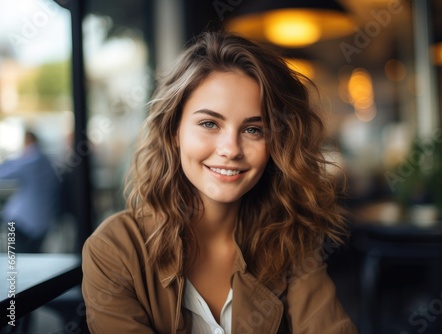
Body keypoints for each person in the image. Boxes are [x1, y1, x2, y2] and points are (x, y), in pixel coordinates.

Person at [82, 31, 358, 333]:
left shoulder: (291, 239)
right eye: (209, 124)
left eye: (254, 129)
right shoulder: (114, 250)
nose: (231, 149)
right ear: (174, 131)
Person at [0, 130, 60, 252]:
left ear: (27, 141)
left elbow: (3, 173)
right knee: (35, 256)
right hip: (43, 221)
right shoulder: (47, 161)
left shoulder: (29, 161)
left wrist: (13, 159)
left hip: (23, 221)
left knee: (16, 260)